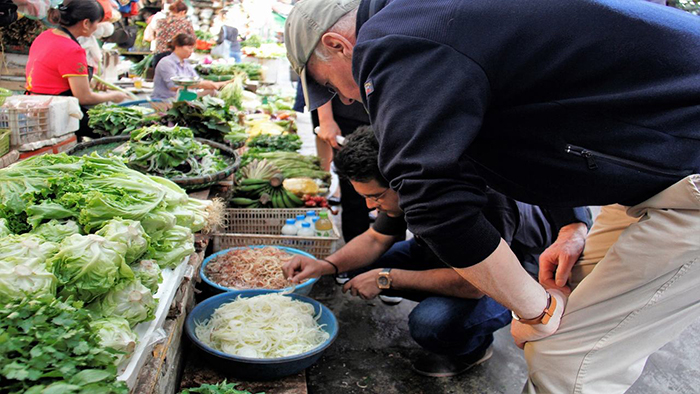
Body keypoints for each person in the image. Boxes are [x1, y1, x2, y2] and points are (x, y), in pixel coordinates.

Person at [284, 1, 700, 393]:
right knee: (570, 306)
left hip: (687, 171)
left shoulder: (395, 38)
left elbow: (433, 202)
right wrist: (572, 224)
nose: (348, 100)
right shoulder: (439, 23)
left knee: (566, 357)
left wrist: (536, 309)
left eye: (331, 86)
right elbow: (547, 118)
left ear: (337, 45)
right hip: (652, 172)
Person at [283, 126, 590, 377]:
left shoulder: (481, 200)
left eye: (375, 196)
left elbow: (474, 284)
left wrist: (387, 278)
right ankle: (436, 296)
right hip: (449, 255)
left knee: (431, 324)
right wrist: (325, 266)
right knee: (359, 265)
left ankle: (474, 347)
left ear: (400, 181)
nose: (368, 206)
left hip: (510, 276)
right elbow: (376, 239)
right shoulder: (410, 181)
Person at [25, 0, 129, 139]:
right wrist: (113, 96)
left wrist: (91, 84)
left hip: (34, 104)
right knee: (122, 131)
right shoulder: (73, 50)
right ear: (86, 23)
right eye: (97, 22)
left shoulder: (45, 36)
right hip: (56, 113)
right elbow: (84, 97)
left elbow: (52, 75)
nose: (97, 27)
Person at [152, 33, 228, 101]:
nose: (191, 51)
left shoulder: (186, 64)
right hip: (166, 101)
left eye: (192, 48)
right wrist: (201, 84)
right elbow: (173, 86)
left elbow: (197, 80)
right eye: (189, 48)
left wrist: (224, 83)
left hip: (184, 99)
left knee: (212, 92)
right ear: (177, 47)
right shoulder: (166, 63)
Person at [153, 0, 194, 69]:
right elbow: (192, 39)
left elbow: (155, 36)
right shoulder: (185, 23)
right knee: (173, 79)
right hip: (174, 56)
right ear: (183, 12)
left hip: (158, 55)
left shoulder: (159, 22)